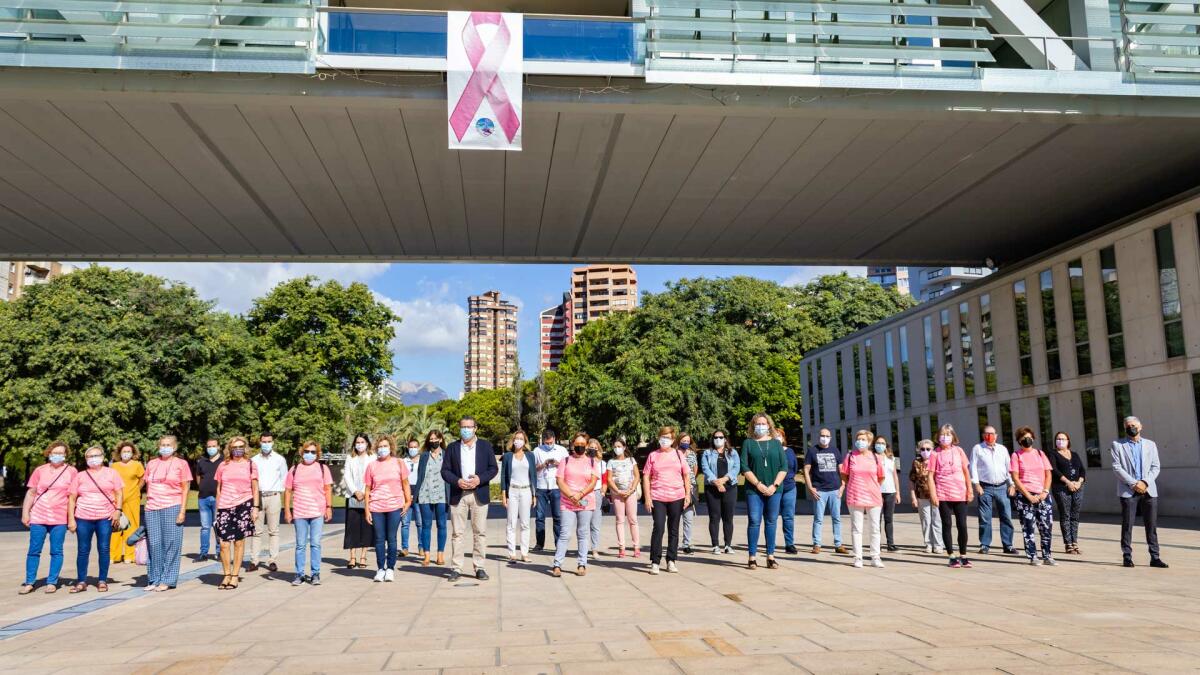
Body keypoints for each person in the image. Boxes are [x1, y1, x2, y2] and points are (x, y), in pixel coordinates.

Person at [442, 416, 499, 582]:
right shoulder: (452, 448)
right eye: (463, 426)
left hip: (478, 494)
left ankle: (479, 567)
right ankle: (456, 568)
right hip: (458, 495)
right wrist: (457, 481)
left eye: (469, 426)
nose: (466, 430)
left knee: (480, 533)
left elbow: (493, 468)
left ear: (476, 428)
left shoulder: (485, 446)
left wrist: (479, 479)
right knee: (457, 533)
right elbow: (445, 471)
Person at [20, 442, 77, 594]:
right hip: (38, 516)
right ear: (49, 453)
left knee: (56, 551)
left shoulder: (71, 471)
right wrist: (25, 512)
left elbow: (74, 496)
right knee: (34, 550)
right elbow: (31, 493)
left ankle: (52, 581)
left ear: (66, 455)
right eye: (54, 452)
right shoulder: (40, 470)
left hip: (59, 518)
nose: (57, 455)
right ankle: (30, 582)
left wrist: (72, 518)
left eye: (61, 453)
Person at [1111, 416, 1167, 568]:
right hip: (1128, 490)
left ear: (1140, 427)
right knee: (1127, 525)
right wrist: (1134, 483)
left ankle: (1155, 557)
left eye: (1134, 425)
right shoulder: (1117, 445)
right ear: (1125, 428)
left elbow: (1156, 466)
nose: (1131, 427)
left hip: (1148, 490)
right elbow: (1117, 467)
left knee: (1151, 525)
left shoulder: (1150, 445)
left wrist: (1145, 482)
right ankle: (1127, 556)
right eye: (1128, 426)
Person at [68, 446, 123, 593]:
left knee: (104, 549)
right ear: (86, 459)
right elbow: (72, 499)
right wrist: (71, 520)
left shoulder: (112, 473)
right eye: (90, 456)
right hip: (83, 517)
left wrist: (118, 510)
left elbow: (119, 493)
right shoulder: (80, 476)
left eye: (96, 455)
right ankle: (81, 581)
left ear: (103, 456)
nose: (93, 458)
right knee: (83, 550)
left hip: (105, 517)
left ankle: (102, 580)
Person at [145, 435, 192, 591]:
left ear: (174, 447)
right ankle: (154, 579)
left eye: (168, 445)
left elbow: (185, 488)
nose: (165, 447)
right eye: (162, 445)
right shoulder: (152, 464)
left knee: (171, 544)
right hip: (152, 507)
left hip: (172, 506)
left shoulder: (181, 464)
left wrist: (182, 511)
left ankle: (168, 579)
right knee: (154, 544)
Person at [643, 426, 691, 575]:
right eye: (663, 436)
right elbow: (645, 476)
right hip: (657, 496)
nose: (665, 439)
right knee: (659, 527)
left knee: (674, 528)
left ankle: (671, 560)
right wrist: (647, 497)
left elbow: (686, 475)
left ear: (672, 439)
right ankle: (655, 561)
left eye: (668, 437)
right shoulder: (653, 455)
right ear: (659, 438)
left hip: (677, 496)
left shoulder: (678, 454)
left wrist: (688, 494)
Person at [285, 440, 334, 585]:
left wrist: (329, 507)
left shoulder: (322, 468)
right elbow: (288, 491)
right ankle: (299, 574)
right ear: (302, 452)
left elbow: (327, 489)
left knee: (315, 543)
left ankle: (315, 574)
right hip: (300, 512)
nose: (309, 454)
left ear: (317, 454)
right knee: (300, 544)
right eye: (307, 451)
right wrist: (287, 510)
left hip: (317, 511)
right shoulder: (294, 469)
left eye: (313, 452)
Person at [552, 433, 600, 577]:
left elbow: (593, 482)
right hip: (568, 502)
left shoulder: (592, 462)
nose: (579, 447)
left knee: (583, 533)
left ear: (586, 446)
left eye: (582, 445)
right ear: (573, 445)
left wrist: (580, 494)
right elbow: (560, 481)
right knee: (565, 533)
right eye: (577, 444)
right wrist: (572, 495)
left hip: (586, 501)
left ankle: (582, 564)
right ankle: (557, 564)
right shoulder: (565, 461)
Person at [214, 437, 258, 590]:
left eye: (240, 446)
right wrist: (218, 509)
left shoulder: (251, 465)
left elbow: (255, 487)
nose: (237, 449)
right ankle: (226, 574)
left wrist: (256, 508)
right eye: (234, 447)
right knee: (224, 543)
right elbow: (219, 488)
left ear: (245, 448)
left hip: (243, 504)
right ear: (229, 448)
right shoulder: (223, 465)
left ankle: (234, 575)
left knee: (239, 542)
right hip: (225, 506)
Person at [364, 435, 411, 582]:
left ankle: (390, 568)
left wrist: (408, 501)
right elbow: (367, 489)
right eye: (380, 446)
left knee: (391, 538)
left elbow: (405, 483)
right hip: (376, 506)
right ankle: (380, 568)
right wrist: (367, 509)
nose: (382, 449)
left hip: (394, 506)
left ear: (391, 447)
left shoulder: (399, 463)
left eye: (385, 446)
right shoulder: (372, 466)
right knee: (379, 539)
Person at [743, 413, 786, 570]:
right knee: (754, 521)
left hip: (775, 490)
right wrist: (758, 484)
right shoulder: (748, 443)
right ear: (753, 425)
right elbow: (745, 467)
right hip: (754, 490)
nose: (760, 426)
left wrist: (774, 485)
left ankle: (770, 556)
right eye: (757, 423)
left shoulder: (776, 443)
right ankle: (752, 557)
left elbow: (784, 467)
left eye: (763, 423)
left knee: (771, 521)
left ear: (769, 425)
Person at [927, 425, 973, 569]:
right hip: (943, 493)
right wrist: (933, 494)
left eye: (948, 434)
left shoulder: (959, 451)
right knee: (947, 524)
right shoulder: (935, 453)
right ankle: (951, 556)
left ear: (953, 436)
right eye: (942, 434)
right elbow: (930, 476)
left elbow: (966, 471)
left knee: (962, 525)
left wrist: (970, 489)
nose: (945, 437)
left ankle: (963, 555)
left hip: (960, 492)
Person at [1009, 427, 1056, 566]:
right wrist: (1028, 495)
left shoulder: (1040, 454)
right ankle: (1032, 555)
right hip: (1025, 496)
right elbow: (1016, 478)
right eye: (1023, 438)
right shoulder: (1016, 456)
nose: (1027, 440)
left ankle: (1047, 555)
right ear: (1019, 441)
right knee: (1028, 527)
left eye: (1029, 437)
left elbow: (1048, 474)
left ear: (1034, 438)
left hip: (1043, 495)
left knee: (1046, 526)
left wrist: (1045, 491)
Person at [841, 430, 886, 569]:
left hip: (873, 497)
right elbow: (844, 474)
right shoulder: (850, 456)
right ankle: (858, 557)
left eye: (863, 439)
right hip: (855, 496)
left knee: (875, 528)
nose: (860, 441)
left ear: (869, 442)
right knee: (857, 529)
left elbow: (881, 477)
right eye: (858, 439)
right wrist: (855, 485)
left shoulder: (875, 457)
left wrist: (871, 487)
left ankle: (875, 557)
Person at [969, 426, 1016, 555]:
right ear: (983, 435)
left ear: (996, 435)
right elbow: (972, 466)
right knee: (985, 518)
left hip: (1002, 487)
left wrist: (1011, 484)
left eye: (992, 433)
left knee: (1006, 516)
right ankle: (985, 545)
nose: (990, 436)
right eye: (987, 433)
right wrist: (976, 484)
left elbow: (1008, 468)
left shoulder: (1002, 449)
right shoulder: (978, 449)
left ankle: (1008, 545)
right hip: (985, 487)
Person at [804, 428, 847, 555]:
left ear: (831, 437)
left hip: (835, 490)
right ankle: (817, 544)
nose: (824, 437)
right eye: (822, 435)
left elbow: (841, 469)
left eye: (827, 436)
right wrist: (810, 487)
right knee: (818, 518)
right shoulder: (812, 451)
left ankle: (838, 544)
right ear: (819, 436)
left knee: (837, 518)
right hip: (819, 491)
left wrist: (843, 485)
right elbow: (806, 469)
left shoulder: (835, 450)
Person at [249, 432, 287, 573]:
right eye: (264, 441)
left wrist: (279, 492)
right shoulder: (253, 460)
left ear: (273, 442)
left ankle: (273, 560)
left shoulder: (279, 459)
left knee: (273, 530)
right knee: (256, 531)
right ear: (260, 442)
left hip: (274, 496)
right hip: (258, 496)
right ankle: (254, 560)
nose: (266, 444)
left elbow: (284, 478)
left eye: (269, 441)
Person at [701, 430, 739, 554]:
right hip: (712, 488)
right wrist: (717, 482)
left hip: (730, 487)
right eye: (715, 437)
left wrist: (724, 479)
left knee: (728, 517)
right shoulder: (707, 453)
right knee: (714, 517)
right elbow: (705, 468)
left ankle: (728, 545)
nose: (718, 439)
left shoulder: (732, 452)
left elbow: (736, 468)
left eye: (721, 437)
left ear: (725, 439)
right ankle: (715, 545)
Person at [415, 430, 449, 567]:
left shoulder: (447, 455)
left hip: (442, 495)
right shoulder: (424, 456)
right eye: (431, 439)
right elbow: (420, 475)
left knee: (442, 524)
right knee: (426, 525)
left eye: (436, 438)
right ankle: (427, 555)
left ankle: (440, 554)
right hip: (425, 495)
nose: (433, 441)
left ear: (441, 440)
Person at [501, 430, 536, 562]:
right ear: (513, 440)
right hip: (512, 491)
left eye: (521, 439)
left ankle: (524, 553)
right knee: (511, 523)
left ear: (525, 441)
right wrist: (504, 495)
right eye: (516, 438)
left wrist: (534, 494)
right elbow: (504, 476)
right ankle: (512, 553)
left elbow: (533, 476)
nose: (518, 441)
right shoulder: (508, 456)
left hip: (526, 491)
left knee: (525, 523)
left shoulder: (530, 456)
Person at [1049, 431, 1086, 555]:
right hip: (1061, 488)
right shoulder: (1053, 454)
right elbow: (1054, 470)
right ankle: (1068, 543)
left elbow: (1082, 470)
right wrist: (1068, 482)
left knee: (1075, 515)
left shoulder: (1074, 454)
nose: (1060, 441)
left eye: (1063, 439)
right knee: (1065, 514)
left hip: (1077, 487)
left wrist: (1079, 482)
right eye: (1058, 439)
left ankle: (1075, 541)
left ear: (1068, 441)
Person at [341, 433, 373, 569]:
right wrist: (355, 491)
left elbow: (372, 476)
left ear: (367, 443)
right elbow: (347, 476)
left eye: (362, 442)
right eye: (357, 442)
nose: (360, 444)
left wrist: (364, 492)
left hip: (367, 496)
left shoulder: (373, 458)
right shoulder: (350, 458)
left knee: (366, 527)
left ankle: (363, 556)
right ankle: (352, 557)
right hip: (353, 496)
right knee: (352, 527)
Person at [109, 441, 144, 565]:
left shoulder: (137, 465)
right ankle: (114, 555)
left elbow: (142, 478)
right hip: (115, 499)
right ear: (119, 453)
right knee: (115, 526)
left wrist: (137, 489)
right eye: (124, 451)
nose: (126, 453)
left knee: (132, 526)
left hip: (132, 498)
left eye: (129, 451)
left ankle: (130, 555)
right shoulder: (114, 466)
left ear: (133, 453)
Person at [606, 437, 641, 558]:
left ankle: (636, 547)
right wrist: (617, 491)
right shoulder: (611, 462)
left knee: (633, 519)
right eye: (615, 447)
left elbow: (637, 476)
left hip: (630, 493)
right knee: (619, 520)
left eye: (619, 446)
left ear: (624, 447)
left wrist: (631, 489)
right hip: (617, 494)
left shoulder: (631, 460)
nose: (617, 449)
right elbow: (609, 479)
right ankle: (622, 547)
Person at [533, 429, 567, 552]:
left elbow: (568, 468)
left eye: (550, 442)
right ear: (543, 441)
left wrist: (558, 463)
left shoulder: (562, 450)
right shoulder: (537, 451)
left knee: (557, 516)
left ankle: (558, 543)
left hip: (556, 487)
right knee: (540, 516)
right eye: (546, 443)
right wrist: (543, 464)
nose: (548, 445)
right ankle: (539, 543)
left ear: (554, 439)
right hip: (541, 486)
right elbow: (533, 469)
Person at [908, 440, 944, 553]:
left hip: (937, 495)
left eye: (928, 449)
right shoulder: (916, 462)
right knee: (926, 521)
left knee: (936, 520)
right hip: (922, 495)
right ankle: (928, 543)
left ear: (932, 450)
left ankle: (938, 544)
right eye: (923, 449)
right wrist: (913, 497)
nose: (925, 451)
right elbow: (911, 480)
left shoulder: (937, 460)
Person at [194, 438, 223, 562]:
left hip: (218, 498)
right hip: (203, 498)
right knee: (205, 527)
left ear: (218, 447)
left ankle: (219, 552)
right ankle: (203, 553)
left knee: (218, 526)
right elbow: (198, 477)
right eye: (209, 446)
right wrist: (202, 487)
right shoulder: (202, 461)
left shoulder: (224, 461)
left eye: (214, 446)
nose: (211, 448)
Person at [876, 436, 902, 552]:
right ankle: (876, 543)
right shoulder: (872, 458)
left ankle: (890, 544)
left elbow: (895, 476)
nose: (880, 445)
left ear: (886, 446)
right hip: (877, 492)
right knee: (876, 519)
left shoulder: (891, 459)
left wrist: (898, 493)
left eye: (882, 443)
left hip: (890, 492)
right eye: (878, 443)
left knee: (888, 519)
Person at [776, 429, 799, 554]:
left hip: (789, 487)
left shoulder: (790, 452)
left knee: (788, 517)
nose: (777, 438)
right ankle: (770, 543)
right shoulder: (769, 451)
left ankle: (789, 543)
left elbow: (794, 468)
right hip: (774, 488)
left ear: (783, 438)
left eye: (779, 436)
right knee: (771, 517)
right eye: (774, 436)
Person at [400, 439, 423, 559]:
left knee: (420, 523)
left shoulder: (423, 460)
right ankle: (404, 548)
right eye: (411, 447)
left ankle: (421, 547)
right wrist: (406, 495)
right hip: (406, 496)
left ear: (418, 448)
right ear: (408, 448)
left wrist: (417, 494)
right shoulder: (403, 461)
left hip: (419, 496)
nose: (413, 449)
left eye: (415, 447)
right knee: (405, 523)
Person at [678, 434, 699, 555]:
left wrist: (690, 481)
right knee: (675, 518)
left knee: (688, 518)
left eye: (687, 441)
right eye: (683, 440)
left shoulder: (692, 454)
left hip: (690, 488)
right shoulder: (674, 453)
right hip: (676, 488)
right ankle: (673, 542)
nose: (685, 442)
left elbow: (695, 469)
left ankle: (686, 544)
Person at [587, 438, 608, 557]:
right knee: (584, 522)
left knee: (595, 522)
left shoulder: (602, 464)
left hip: (597, 493)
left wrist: (603, 492)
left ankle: (594, 548)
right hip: (585, 494)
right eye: (591, 448)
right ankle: (583, 547)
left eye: (595, 448)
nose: (593, 450)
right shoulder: (583, 461)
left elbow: (605, 481)